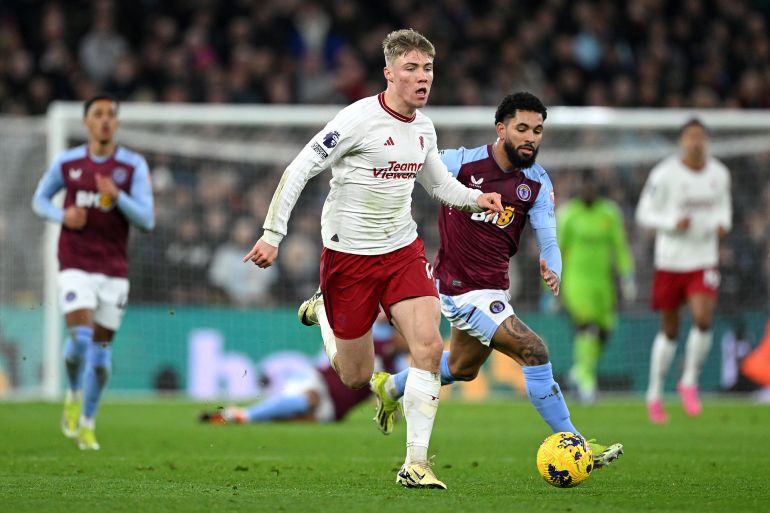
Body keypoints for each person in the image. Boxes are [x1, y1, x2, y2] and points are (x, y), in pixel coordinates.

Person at [307, 92, 624, 472]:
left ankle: (389, 388)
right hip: (459, 289)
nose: (531, 138)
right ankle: (577, 443)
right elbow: (410, 173)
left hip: (495, 289)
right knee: (534, 351)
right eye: (522, 128)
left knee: (460, 368)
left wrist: (550, 263)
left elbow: (550, 238)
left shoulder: (537, 182)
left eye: (538, 130)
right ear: (501, 128)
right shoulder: (460, 162)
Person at [244, 29, 504, 489]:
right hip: (349, 259)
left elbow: (439, 185)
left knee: (429, 347)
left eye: (427, 69)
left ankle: (416, 463)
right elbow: (300, 166)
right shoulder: (358, 119)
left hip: (403, 251)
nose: (422, 78)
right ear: (389, 74)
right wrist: (271, 234)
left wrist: (476, 199)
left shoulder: (423, 128)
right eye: (411, 68)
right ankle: (324, 310)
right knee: (355, 376)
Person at [32, 93, 155, 449]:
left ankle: (87, 420)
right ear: (86, 122)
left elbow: (146, 220)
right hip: (75, 264)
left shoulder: (132, 167)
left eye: (110, 115)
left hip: (114, 271)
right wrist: (62, 215)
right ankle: (72, 393)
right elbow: (39, 200)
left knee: (100, 359)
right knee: (81, 341)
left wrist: (118, 197)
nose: (104, 120)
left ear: (116, 123)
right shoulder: (68, 163)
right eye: (98, 114)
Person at [635, 118, 732, 423]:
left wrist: (723, 225)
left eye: (700, 136)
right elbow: (644, 213)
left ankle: (689, 382)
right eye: (690, 137)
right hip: (671, 260)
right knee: (670, 330)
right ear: (681, 141)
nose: (696, 142)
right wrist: (671, 223)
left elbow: (724, 209)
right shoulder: (664, 174)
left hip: (703, 259)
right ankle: (654, 393)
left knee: (703, 319)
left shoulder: (719, 173)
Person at [199, 315, 407, 424]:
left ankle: (232, 416)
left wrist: (387, 407)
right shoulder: (370, 340)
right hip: (318, 382)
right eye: (405, 336)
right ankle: (244, 415)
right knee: (309, 399)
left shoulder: (393, 371)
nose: (408, 343)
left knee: (297, 419)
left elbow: (389, 406)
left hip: (334, 411)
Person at [557, 169, 636, 403]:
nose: (588, 191)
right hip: (577, 281)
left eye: (591, 188)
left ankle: (579, 370)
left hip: (603, 283)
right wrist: (548, 286)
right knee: (587, 326)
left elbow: (619, 246)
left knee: (604, 332)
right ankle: (587, 380)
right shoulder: (568, 215)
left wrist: (627, 275)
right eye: (584, 187)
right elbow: (557, 251)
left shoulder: (610, 214)